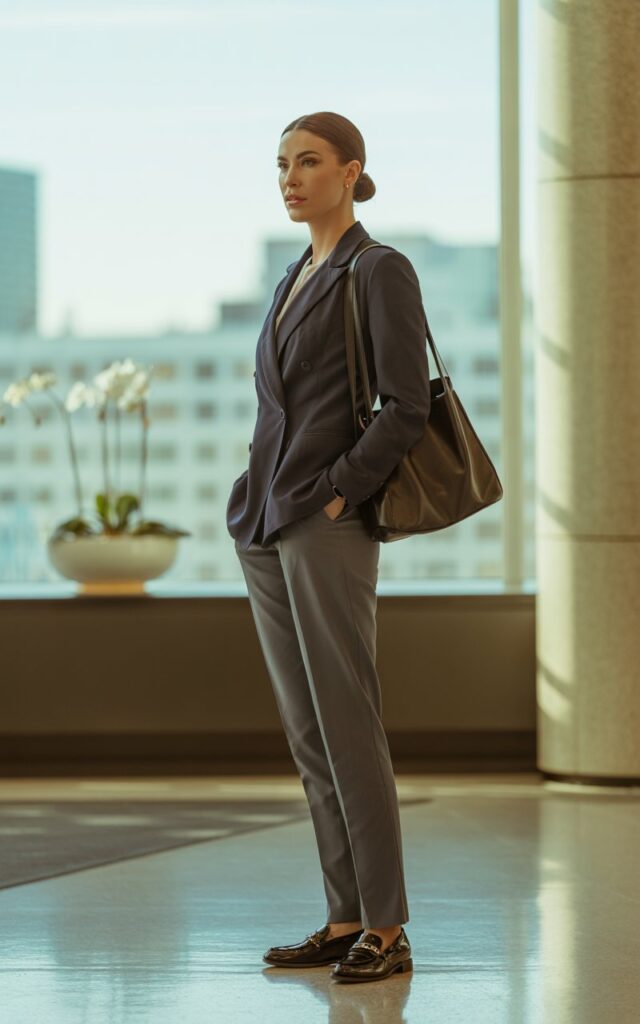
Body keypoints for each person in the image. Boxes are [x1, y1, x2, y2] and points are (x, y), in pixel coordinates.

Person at [226, 111, 431, 983]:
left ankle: (387, 925)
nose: (290, 177)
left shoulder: (377, 269)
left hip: (327, 519)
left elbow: (408, 405)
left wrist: (343, 489)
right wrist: (254, 498)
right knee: (310, 733)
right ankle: (344, 914)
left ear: (352, 171)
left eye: (308, 162)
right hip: (267, 523)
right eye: (281, 164)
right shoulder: (291, 276)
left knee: (350, 725)